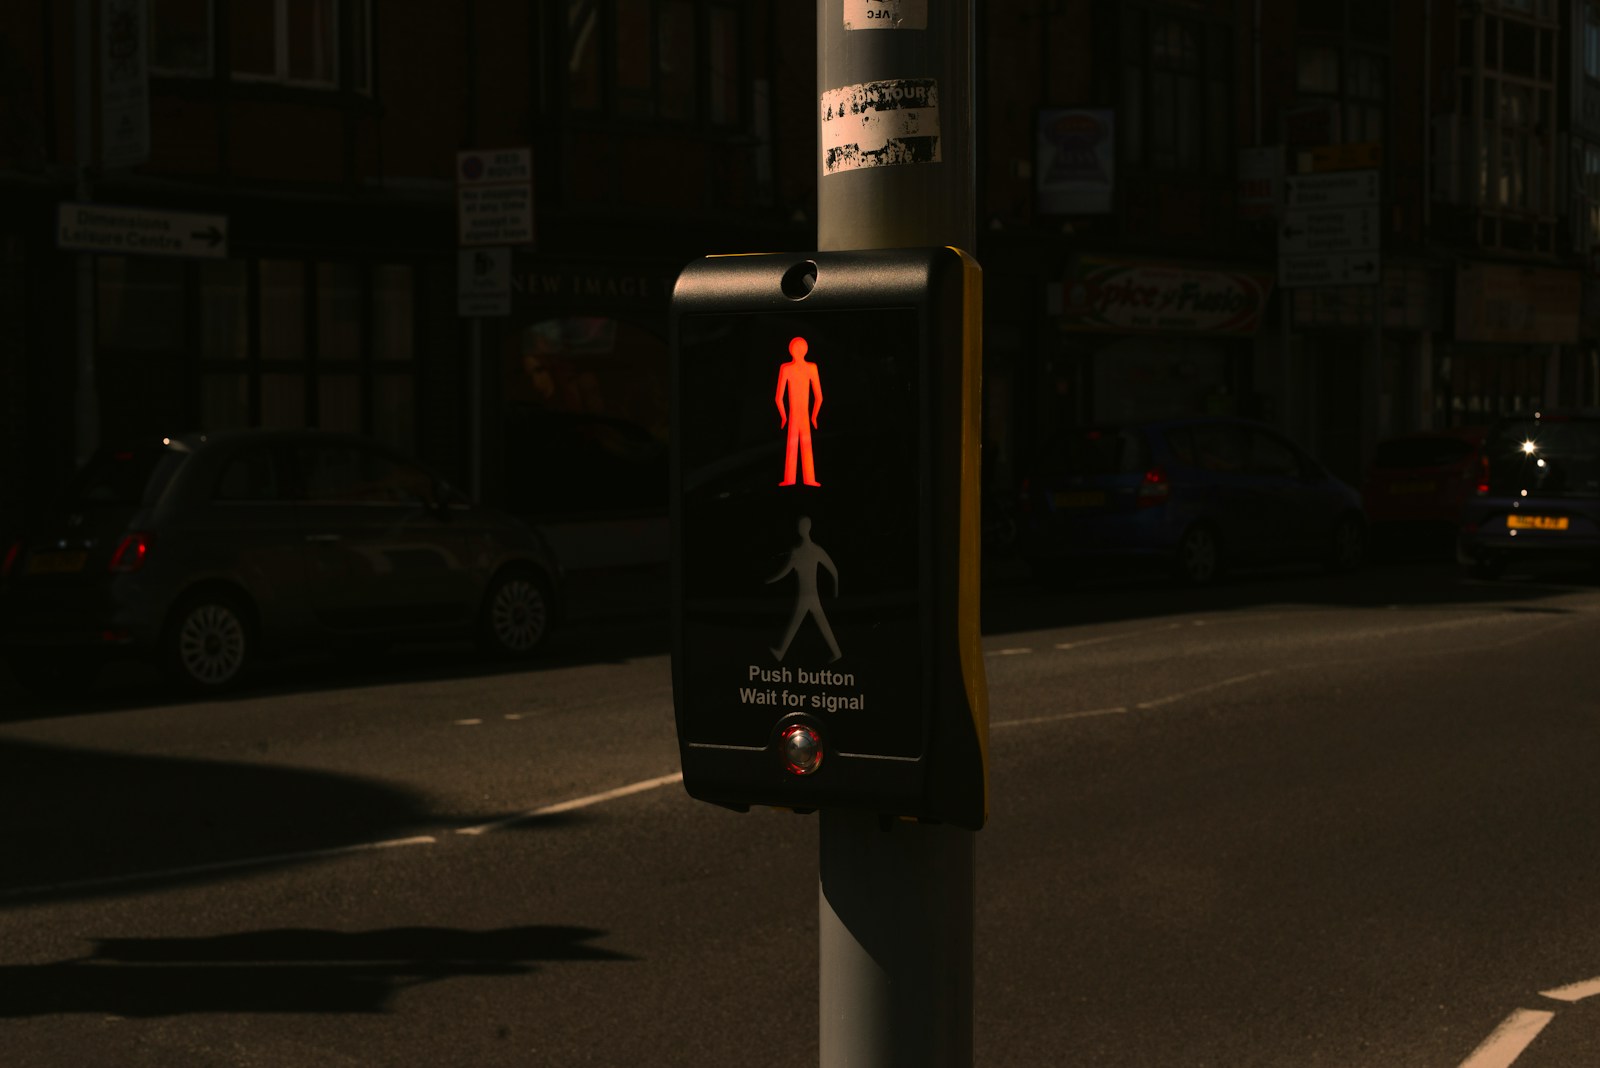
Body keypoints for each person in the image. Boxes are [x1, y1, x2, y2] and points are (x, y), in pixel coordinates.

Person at [766, 516, 841, 662]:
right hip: (812, 597)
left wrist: (769, 580)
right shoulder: (815, 550)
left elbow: (784, 572)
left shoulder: (798, 552)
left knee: (796, 624)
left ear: (801, 529)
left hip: (805, 598)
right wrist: (836, 589)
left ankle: (781, 653)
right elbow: (834, 571)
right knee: (820, 623)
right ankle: (837, 652)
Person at [774, 336, 823, 487]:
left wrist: (784, 416)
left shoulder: (789, 369)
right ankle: (805, 479)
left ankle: (794, 479)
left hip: (795, 416)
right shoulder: (806, 368)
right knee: (803, 446)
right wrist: (813, 416)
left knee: (795, 446)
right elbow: (819, 398)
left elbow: (778, 398)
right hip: (802, 415)